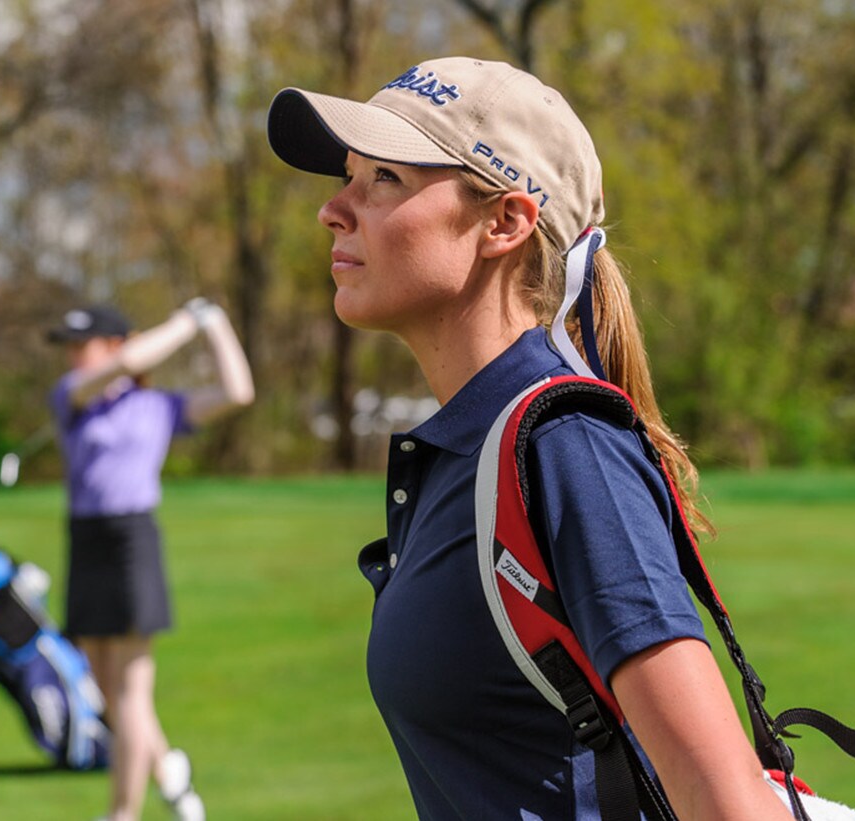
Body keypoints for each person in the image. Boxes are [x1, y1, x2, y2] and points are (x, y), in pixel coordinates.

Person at [266, 57, 794, 820]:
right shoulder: (475, 447)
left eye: (385, 179)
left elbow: (727, 803)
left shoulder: (565, 444)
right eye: (349, 175)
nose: (334, 210)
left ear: (504, 222)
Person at [47, 299, 254, 821]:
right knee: (104, 690)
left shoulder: (160, 406)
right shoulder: (72, 397)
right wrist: (185, 322)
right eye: (69, 347)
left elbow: (237, 392)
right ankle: (169, 775)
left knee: (131, 689)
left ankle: (123, 813)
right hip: (86, 540)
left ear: (116, 342)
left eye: (82, 344)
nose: (73, 356)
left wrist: (213, 324)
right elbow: (119, 368)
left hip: (132, 540)